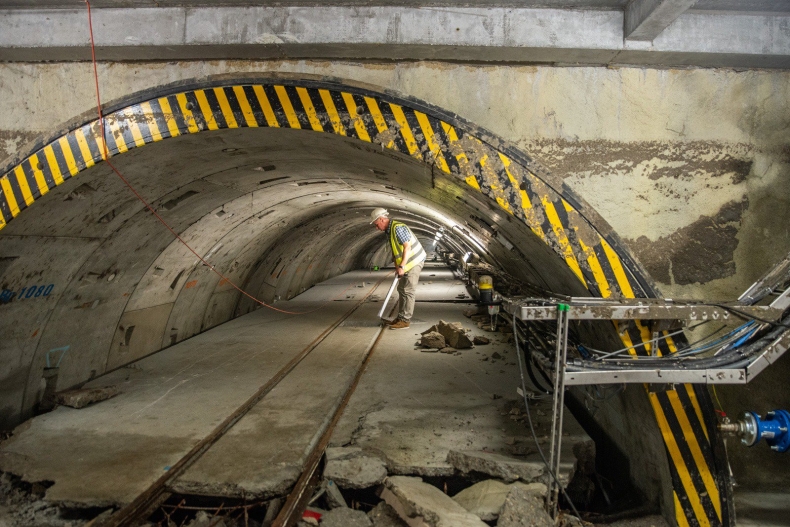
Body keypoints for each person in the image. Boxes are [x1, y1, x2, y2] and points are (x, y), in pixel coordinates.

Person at [370, 208, 426, 329]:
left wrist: (402, 266)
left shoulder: (397, 228)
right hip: (407, 263)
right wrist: (398, 269)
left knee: (408, 290)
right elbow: (396, 252)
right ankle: (401, 317)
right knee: (402, 289)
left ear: (381, 219)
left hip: (414, 261)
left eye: (376, 224)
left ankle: (405, 320)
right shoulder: (390, 231)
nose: (376, 228)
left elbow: (407, 247)